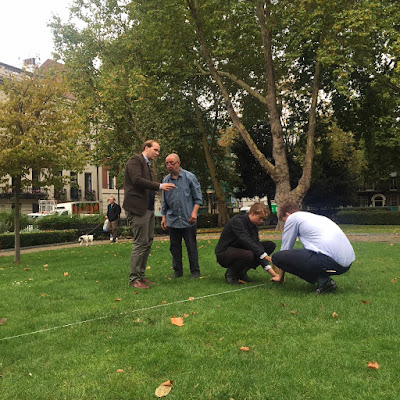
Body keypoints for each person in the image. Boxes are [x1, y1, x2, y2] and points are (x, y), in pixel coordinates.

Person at [268, 202, 355, 294]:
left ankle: (324, 282)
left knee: (277, 257)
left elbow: (285, 250)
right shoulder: (314, 217)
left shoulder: (293, 218)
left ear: (287, 214)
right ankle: (324, 280)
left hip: (330, 261)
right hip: (346, 264)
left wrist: (280, 277)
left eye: (285, 221)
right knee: (305, 257)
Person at [123, 140, 175, 289]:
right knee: (140, 243)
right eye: (155, 150)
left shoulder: (147, 165)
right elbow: (137, 180)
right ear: (146, 148)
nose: (157, 153)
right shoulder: (135, 160)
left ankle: (141, 276)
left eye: (158, 151)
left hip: (148, 209)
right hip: (138, 209)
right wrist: (160, 186)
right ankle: (134, 279)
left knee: (147, 243)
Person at [215, 202, 280, 285]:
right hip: (224, 254)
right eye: (260, 218)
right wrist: (264, 255)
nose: (261, 221)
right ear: (252, 213)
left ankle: (241, 272)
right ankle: (231, 274)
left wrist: (274, 274)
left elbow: (257, 245)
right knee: (249, 254)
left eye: (263, 219)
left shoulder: (254, 226)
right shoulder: (237, 221)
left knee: (269, 245)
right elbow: (245, 240)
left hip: (241, 251)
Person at [161, 153, 202, 279]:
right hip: (173, 219)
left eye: (171, 163)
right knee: (174, 248)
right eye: (167, 163)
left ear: (178, 163)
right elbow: (164, 201)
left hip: (188, 219)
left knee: (191, 246)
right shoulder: (165, 181)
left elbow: (198, 198)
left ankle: (195, 271)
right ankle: (177, 272)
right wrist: (164, 217)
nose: (169, 165)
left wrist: (194, 213)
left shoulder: (189, 177)